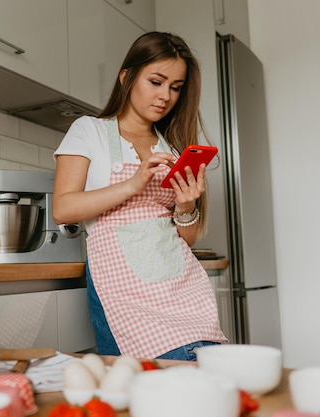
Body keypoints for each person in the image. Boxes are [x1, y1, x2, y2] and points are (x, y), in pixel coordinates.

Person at [52, 31, 227, 361]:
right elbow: (62, 208)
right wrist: (132, 184)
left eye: (176, 87)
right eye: (156, 82)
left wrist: (187, 205)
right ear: (126, 77)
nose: (166, 96)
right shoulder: (89, 131)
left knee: (200, 370)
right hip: (124, 292)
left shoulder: (172, 147)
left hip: (183, 287)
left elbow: (184, 238)